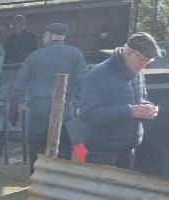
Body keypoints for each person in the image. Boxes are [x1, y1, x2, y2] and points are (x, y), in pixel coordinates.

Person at [9, 23, 86, 171]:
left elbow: (19, 84)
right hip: (64, 109)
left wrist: (14, 107)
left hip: (39, 110)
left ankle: (38, 180)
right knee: (62, 149)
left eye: (44, 36)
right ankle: (59, 182)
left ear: (50, 36)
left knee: (37, 149)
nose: (43, 39)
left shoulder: (34, 56)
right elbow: (83, 83)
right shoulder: (75, 54)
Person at [78, 32, 161, 170]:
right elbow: (88, 114)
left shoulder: (137, 72)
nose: (144, 66)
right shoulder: (98, 74)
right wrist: (130, 111)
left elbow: (140, 97)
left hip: (128, 149)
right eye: (142, 60)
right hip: (102, 152)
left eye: (148, 62)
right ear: (128, 52)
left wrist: (146, 107)